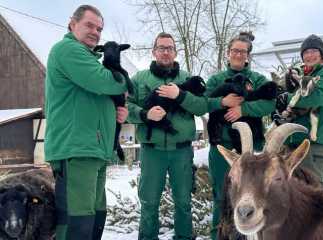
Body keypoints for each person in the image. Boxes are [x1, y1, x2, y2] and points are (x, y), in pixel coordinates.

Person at [44, 5, 128, 240]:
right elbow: (107, 82)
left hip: (94, 150)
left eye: (99, 29)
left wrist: (118, 113)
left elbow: (99, 97)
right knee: (76, 223)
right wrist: (121, 81)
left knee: (94, 219)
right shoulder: (67, 50)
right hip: (76, 149)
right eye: (89, 25)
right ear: (73, 24)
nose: (95, 32)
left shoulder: (90, 59)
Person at [127, 32, 208, 240]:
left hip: (181, 151)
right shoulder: (139, 79)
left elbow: (202, 106)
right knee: (149, 202)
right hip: (151, 152)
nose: (165, 52)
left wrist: (179, 96)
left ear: (175, 52)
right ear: (154, 51)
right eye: (161, 48)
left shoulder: (188, 78)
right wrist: (145, 115)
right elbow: (125, 107)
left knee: (183, 202)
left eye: (169, 48)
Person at [205, 32, 276, 240]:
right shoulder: (216, 79)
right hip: (222, 149)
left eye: (242, 52)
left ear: (248, 56)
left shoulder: (258, 79)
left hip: (251, 151)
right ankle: (218, 236)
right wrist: (222, 102)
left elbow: (270, 103)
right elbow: (204, 102)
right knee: (221, 196)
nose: (238, 54)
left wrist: (243, 109)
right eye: (234, 51)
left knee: (253, 197)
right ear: (228, 54)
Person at [276, 34, 323, 187]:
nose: (309, 55)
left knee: (313, 190)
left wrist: (288, 98)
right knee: (293, 193)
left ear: (322, 54)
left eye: (314, 51)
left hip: (315, 144)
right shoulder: (299, 77)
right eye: (306, 52)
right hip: (293, 143)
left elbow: (318, 96)